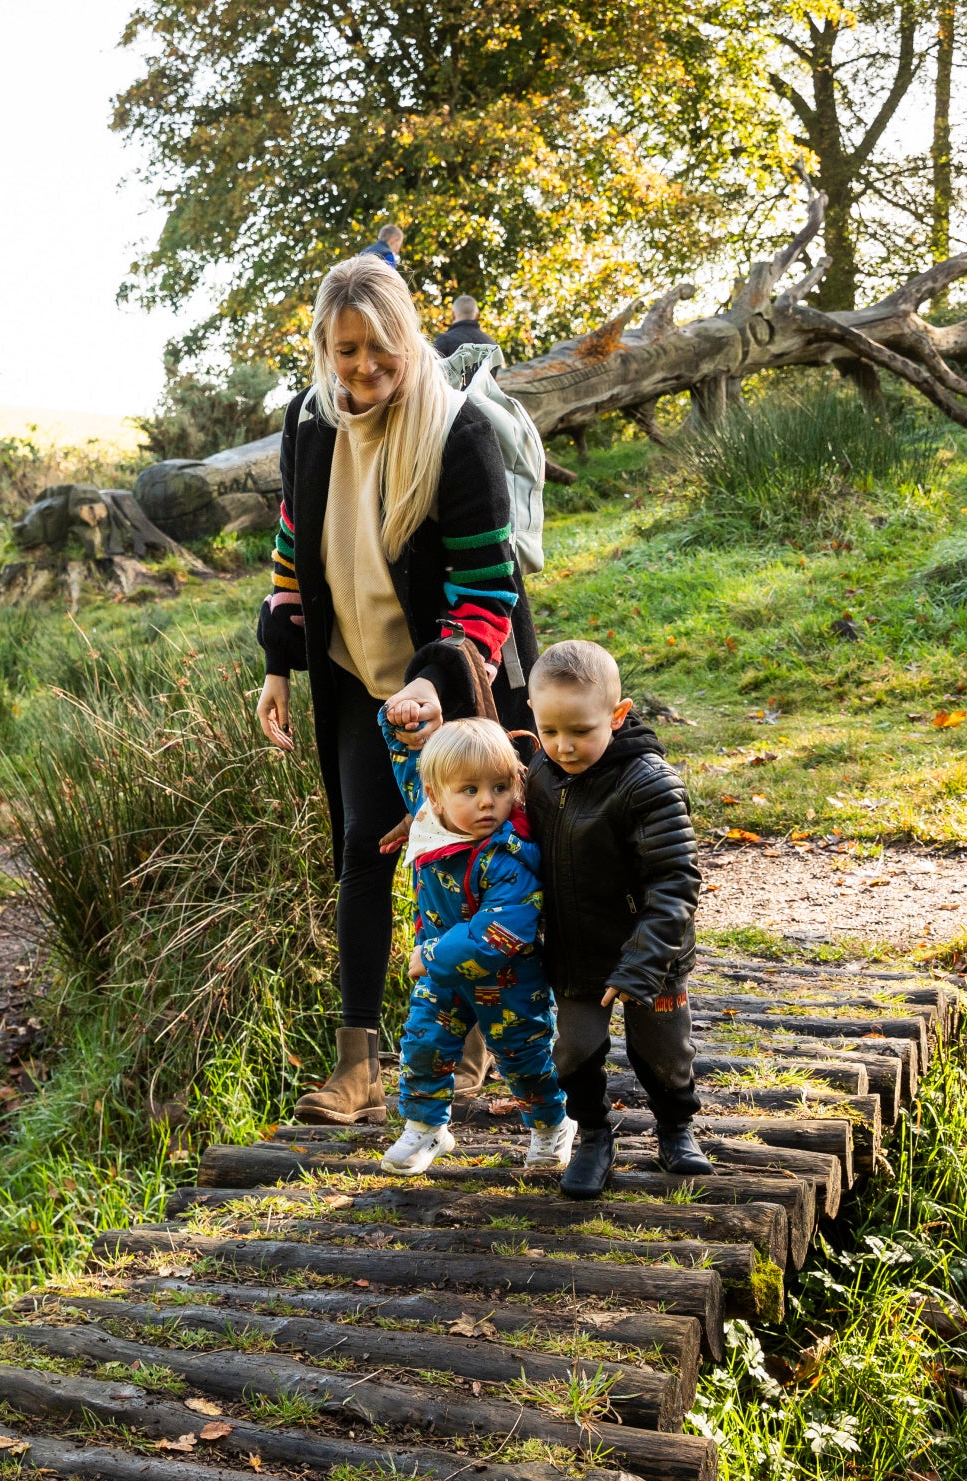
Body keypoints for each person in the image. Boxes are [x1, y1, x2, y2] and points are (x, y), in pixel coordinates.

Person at [256, 254, 539, 1125]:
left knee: (463, 857)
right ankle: (358, 1067)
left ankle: (476, 1042)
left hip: (454, 682)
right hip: (353, 677)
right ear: (323, 348)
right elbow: (293, 546)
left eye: (380, 349)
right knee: (360, 853)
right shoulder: (309, 426)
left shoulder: (458, 435)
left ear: (406, 339)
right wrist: (277, 662)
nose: (364, 368)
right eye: (346, 351)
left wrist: (430, 688)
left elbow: (488, 594)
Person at [519, 640, 709, 1196]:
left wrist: (643, 965)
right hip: (578, 954)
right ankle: (594, 1136)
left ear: (617, 715)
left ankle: (676, 1128)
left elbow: (676, 883)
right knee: (574, 1052)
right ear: (533, 715)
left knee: (666, 1052)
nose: (564, 746)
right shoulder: (541, 773)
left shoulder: (648, 784)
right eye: (550, 731)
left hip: (652, 954)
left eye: (580, 731)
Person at [376, 714, 571, 1175]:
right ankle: (426, 1128)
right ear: (435, 795)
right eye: (470, 791)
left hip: (507, 980)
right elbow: (406, 758)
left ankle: (550, 1126)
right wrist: (398, 718)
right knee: (423, 1044)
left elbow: (496, 934)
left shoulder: (508, 858)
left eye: (501, 788)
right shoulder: (430, 815)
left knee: (524, 1058)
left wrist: (429, 955)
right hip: (444, 980)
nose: (488, 802)